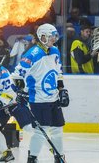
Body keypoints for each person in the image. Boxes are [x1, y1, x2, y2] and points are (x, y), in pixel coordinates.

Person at [12, 23, 68, 163]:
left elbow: (58, 71)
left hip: (53, 98)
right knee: (40, 131)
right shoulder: (33, 54)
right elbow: (17, 75)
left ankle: (59, 156)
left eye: (55, 36)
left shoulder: (55, 51)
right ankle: (32, 158)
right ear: (42, 37)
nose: (54, 39)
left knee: (57, 130)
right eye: (51, 37)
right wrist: (21, 91)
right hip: (38, 100)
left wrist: (61, 89)